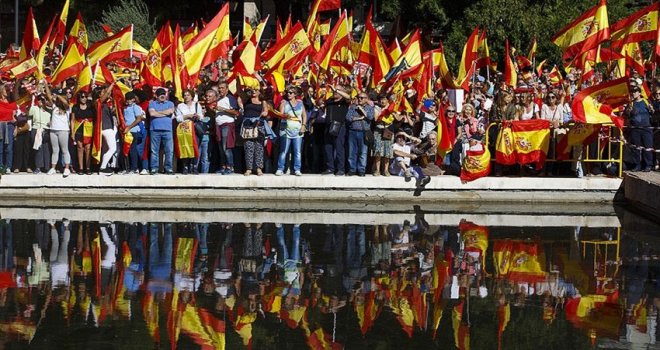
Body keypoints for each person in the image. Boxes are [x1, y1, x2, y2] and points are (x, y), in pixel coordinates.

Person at [276, 86, 307, 176]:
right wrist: (284, 112)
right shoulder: (284, 103)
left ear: (295, 94)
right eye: (287, 92)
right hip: (285, 130)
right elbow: (280, 115)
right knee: (283, 151)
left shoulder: (300, 103)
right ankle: (280, 168)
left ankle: (297, 169)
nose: (288, 94)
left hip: (297, 130)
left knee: (297, 151)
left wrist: (303, 125)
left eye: (291, 93)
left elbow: (304, 115)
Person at [43, 85, 72, 177]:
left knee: (65, 150)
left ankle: (67, 168)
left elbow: (65, 102)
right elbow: (48, 95)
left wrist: (58, 95)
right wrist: (46, 84)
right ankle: (53, 168)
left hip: (63, 130)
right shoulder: (54, 106)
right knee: (55, 150)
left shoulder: (67, 108)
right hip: (53, 130)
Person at [323, 85, 350, 176]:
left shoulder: (344, 101)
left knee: (339, 148)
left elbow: (348, 97)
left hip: (339, 126)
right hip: (328, 126)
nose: (335, 91)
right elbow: (320, 103)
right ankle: (330, 168)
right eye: (334, 90)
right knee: (328, 147)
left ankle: (340, 169)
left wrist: (336, 90)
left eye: (338, 90)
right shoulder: (330, 100)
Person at [345, 91, 375, 176]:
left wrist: (361, 110)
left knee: (363, 152)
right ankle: (352, 169)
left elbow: (370, 117)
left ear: (366, 99)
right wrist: (359, 118)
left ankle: (361, 170)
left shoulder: (369, 108)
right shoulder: (353, 107)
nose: (359, 99)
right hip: (353, 132)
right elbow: (348, 118)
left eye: (362, 98)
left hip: (364, 132)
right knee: (352, 152)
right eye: (358, 97)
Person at [241, 88, 269, 176]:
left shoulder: (263, 101)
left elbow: (266, 111)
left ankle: (259, 168)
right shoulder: (246, 100)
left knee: (259, 148)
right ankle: (249, 168)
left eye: (256, 89)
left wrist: (264, 113)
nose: (254, 91)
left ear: (259, 91)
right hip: (248, 126)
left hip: (259, 126)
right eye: (252, 90)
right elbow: (239, 93)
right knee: (248, 147)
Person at [214, 82, 240, 175]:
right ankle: (223, 166)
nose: (220, 90)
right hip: (218, 125)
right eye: (219, 88)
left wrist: (223, 109)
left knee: (227, 147)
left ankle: (230, 166)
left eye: (222, 88)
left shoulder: (230, 98)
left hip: (227, 125)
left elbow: (236, 112)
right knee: (221, 148)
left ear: (227, 89)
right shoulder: (218, 99)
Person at [175, 89, 204, 174]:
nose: (186, 97)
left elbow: (201, 116)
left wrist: (197, 116)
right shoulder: (180, 106)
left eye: (188, 95)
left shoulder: (196, 105)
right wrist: (187, 116)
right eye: (185, 95)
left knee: (195, 147)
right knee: (185, 147)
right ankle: (185, 166)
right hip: (184, 129)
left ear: (192, 96)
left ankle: (194, 166)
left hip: (194, 128)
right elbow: (178, 118)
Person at [625, 86, 654, 172]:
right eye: (632, 92)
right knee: (636, 148)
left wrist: (651, 109)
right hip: (635, 129)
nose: (633, 94)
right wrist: (628, 111)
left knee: (647, 147)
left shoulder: (646, 101)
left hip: (646, 128)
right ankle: (637, 165)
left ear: (639, 93)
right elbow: (626, 115)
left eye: (635, 92)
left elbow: (653, 112)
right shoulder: (631, 103)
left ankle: (648, 165)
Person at [148, 87, 175, 174]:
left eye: (164, 94)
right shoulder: (152, 104)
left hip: (167, 130)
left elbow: (171, 111)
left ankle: (168, 168)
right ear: (156, 96)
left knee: (169, 150)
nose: (162, 96)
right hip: (155, 130)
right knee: (154, 150)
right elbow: (152, 113)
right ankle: (154, 168)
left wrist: (158, 113)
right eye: (160, 95)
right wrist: (164, 113)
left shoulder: (170, 103)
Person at [122, 91, 147, 174]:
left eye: (130, 99)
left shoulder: (135, 107)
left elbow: (138, 118)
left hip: (134, 131)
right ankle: (127, 168)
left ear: (133, 99)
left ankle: (134, 168)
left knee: (133, 149)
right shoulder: (125, 108)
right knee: (127, 150)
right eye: (127, 99)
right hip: (127, 131)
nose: (128, 101)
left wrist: (129, 127)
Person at [70, 91, 95, 174]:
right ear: (79, 98)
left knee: (88, 148)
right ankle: (80, 168)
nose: (84, 98)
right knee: (80, 148)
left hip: (89, 129)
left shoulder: (91, 106)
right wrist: (72, 132)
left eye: (85, 96)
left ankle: (88, 167)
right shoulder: (75, 107)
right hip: (79, 129)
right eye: (82, 97)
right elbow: (73, 120)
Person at [29, 94, 52, 174]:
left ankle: (47, 167)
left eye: (42, 100)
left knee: (46, 148)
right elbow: (29, 113)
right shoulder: (34, 108)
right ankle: (38, 167)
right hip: (36, 128)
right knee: (37, 148)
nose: (40, 101)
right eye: (39, 99)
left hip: (46, 129)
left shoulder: (49, 109)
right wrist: (33, 100)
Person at [372, 95, 394, 176]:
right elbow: (376, 118)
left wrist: (392, 111)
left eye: (384, 99)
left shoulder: (392, 107)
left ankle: (386, 170)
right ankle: (377, 170)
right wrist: (385, 111)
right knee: (378, 150)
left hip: (388, 130)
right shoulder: (376, 108)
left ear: (387, 100)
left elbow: (397, 118)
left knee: (387, 151)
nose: (383, 101)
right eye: (381, 99)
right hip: (379, 130)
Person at [98, 84, 118, 175]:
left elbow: (113, 111)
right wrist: (112, 84)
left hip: (108, 127)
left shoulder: (105, 104)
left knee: (106, 149)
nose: (106, 93)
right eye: (103, 92)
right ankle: (103, 167)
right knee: (113, 148)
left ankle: (104, 166)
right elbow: (106, 94)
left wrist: (114, 102)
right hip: (105, 128)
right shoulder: (98, 102)